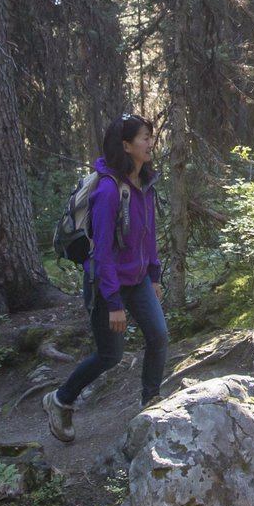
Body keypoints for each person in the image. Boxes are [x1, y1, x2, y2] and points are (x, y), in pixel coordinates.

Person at [45, 114, 167, 443]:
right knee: (110, 355)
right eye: (144, 137)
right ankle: (60, 400)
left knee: (158, 336)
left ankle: (150, 406)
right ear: (126, 145)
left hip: (138, 280)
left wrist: (153, 274)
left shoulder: (145, 184)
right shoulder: (109, 191)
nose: (150, 142)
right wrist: (113, 303)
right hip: (105, 284)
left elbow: (148, 235)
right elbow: (102, 254)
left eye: (149, 136)